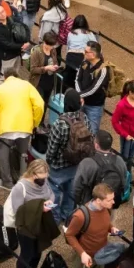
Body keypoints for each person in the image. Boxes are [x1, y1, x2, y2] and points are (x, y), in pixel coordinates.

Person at [0, 68, 44, 190]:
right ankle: (23, 180)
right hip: (25, 126)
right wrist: (34, 122)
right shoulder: (27, 85)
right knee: (23, 154)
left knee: (3, 155)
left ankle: (7, 182)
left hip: (5, 128)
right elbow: (39, 104)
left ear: (5, 77)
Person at [9, 159, 57, 268]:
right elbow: (18, 211)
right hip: (26, 228)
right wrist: (39, 208)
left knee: (38, 251)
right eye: (41, 177)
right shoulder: (20, 188)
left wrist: (50, 201)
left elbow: (51, 193)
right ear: (33, 174)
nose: (44, 180)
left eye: (45, 177)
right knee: (26, 255)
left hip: (40, 224)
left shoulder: (44, 181)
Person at [45, 89, 88, 223]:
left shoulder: (60, 123)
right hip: (76, 163)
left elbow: (52, 148)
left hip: (58, 165)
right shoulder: (84, 118)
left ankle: (55, 218)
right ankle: (68, 215)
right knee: (71, 191)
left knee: (54, 193)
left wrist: (48, 162)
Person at [65, 183, 118, 268]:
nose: (113, 202)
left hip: (101, 253)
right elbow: (69, 235)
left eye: (113, 198)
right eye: (109, 200)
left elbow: (104, 222)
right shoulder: (80, 216)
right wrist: (82, 254)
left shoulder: (105, 208)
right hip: (86, 254)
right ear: (98, 200)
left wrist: (112, 228)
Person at [74, 130, 127, 206]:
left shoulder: (87, 163)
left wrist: (78, 201)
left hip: (91, 203)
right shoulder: (119, 160)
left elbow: (77, 187)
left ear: (96, 145)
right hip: (111, 201)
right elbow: (123, 180)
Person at [76, 41, 110, 135]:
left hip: (94, 106)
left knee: (92, 133)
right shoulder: (84, 62)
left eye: (86, 51)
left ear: (93, 54)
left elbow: (94, 89)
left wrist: (79, 95)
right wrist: (80, 95)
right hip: (81, 101)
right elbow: (77, 79)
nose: (84, 53)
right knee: (77, 129)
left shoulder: (103, 70)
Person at [0, 2, 30, 76]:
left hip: (17, 54)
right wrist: (22, 45)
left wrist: (26, 40)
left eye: (3, 11)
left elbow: (25, 27)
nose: (2, 14)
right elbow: (6, 44)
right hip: (8, 57)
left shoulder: (11, 19)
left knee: (16, 75)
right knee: (4, 78)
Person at [29, 32, 61, 116]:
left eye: (52, 45)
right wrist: (46, 68)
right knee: (38, 103)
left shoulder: (53, 50)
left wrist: (55, 66)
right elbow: (32, 69)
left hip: (49, 81)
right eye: (48, 44)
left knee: (46, 102)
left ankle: (41, 122)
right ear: (44, 41)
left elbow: (55, 61)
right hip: (39, 82)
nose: (50, 47)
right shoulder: (37, 52)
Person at [65, 15, 98, 88]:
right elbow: (96, 47)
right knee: (79, 80)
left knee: (69, 79)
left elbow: (68, 46)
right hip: (81, 59)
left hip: (70, 58)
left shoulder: (70, 33)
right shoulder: (89, 34)